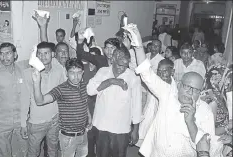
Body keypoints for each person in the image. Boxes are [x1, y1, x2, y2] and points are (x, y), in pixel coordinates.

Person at [129, 25, 222, 157]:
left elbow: (206, 145)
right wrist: (138, 46)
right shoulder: (168, 94)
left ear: (201, 92)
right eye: (187, 87)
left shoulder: (205, 110)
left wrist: (190, 122)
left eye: (195, 90)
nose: (190, 92)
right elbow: (147, 73)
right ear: (179, 85)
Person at [87, 44, 142, 157]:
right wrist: (111, 81)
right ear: (112, 60)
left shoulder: (133, 77)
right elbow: (90, 90)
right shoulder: (102, 72)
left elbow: (137, 105)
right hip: (101, 125)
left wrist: (135, 130)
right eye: (120, 65)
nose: (123, 69)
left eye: (126, 65)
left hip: (121, 128)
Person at [33, 58, 91, 157]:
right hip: (68, 137)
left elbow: (84, 102)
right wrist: (36, 82)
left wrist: (89, 117)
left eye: (79, 73)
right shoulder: (61, 89)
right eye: (72, 73)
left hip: (83, 134)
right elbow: (40, 101)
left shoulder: (83, 86)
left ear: (83, 72)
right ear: (66, 73)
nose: (76, 77)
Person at [21, 42, 66, 157]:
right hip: (36, 122)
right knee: (33, 153)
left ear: (52, 54)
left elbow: (63, 95)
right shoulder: (28, 74)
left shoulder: (59, 70)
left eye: (46, 53)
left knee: (53, 151)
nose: (42, 56)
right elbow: (24, 100)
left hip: (54, 120)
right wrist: (23, 123)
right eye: (39, 54)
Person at [0, 42, 28, 156]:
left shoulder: (22, 70)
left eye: (8, 53)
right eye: (2, 54)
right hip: (2, 122)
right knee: (4, 153)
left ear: (15, 54)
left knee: (22, 152)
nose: (5, 57)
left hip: (21, 121)